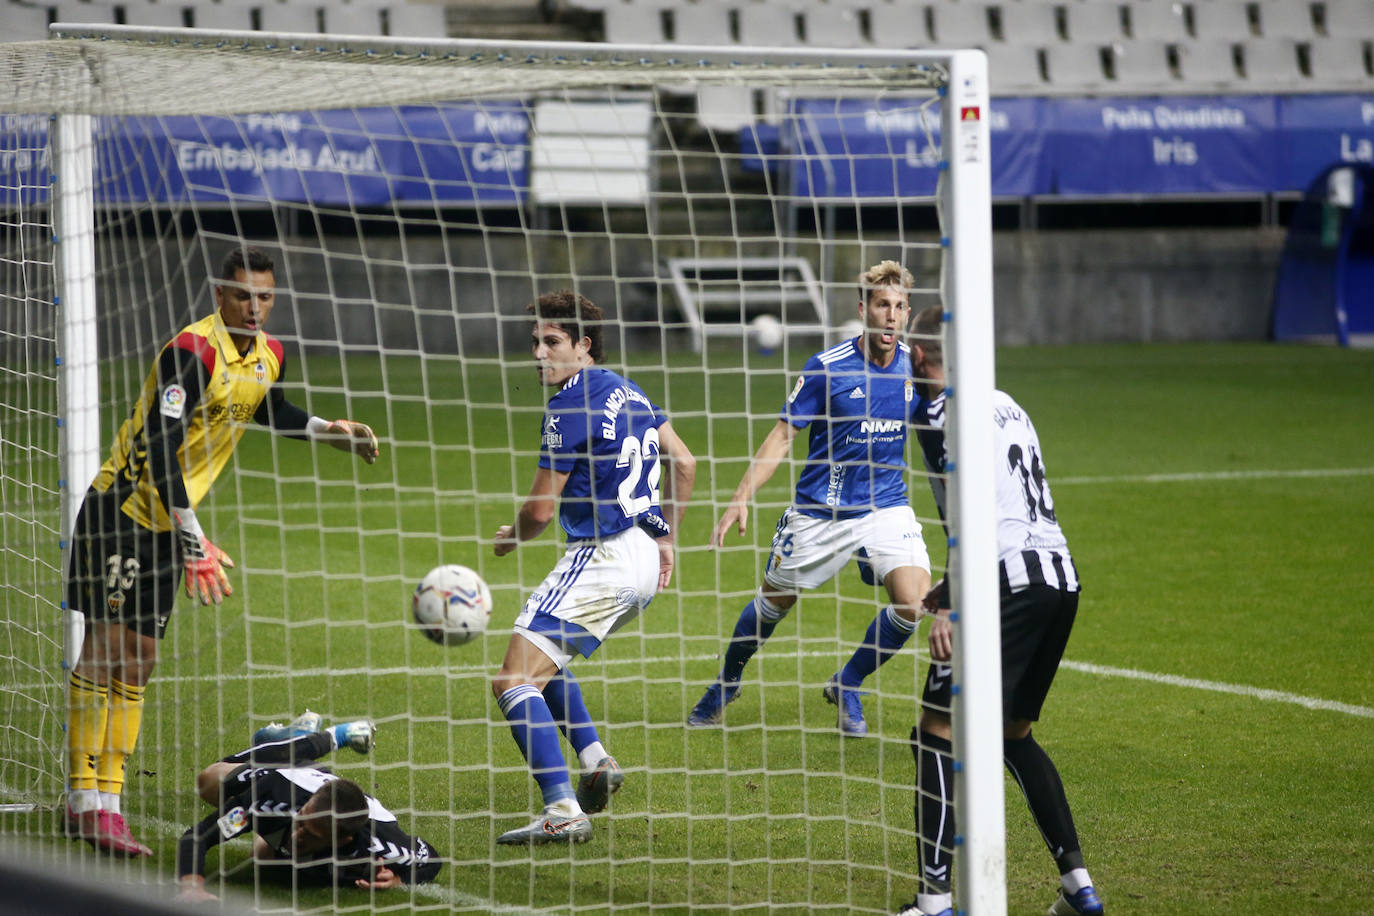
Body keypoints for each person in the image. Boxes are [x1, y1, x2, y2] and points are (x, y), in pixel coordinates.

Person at [63, 246, 381, 857]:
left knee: (141, 662)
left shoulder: (269, 355)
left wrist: (329, 433)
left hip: (167, 523)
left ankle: (108, 798)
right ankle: (88, 801)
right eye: (243, 296)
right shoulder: (193, 351)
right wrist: (195, 543)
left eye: (264, 296)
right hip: (122, 510)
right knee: (105, 653)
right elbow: (160, 450)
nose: (255, 308)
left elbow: (273, 409)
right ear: (219, 296)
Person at [895, 306, 1103, 916]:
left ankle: (935, 902)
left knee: (935, 731)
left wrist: (953, 607)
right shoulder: (1006, 400)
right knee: (1013, 735)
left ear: (918, 357)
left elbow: (971, 510)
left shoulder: (938, 414)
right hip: (1057, 575)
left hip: (1003, 581)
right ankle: (1079, 888)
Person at [688, 260, 931, 737]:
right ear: (863, 309)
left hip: (886, 507)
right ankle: (728, 680)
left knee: (913, 603)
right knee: (772, 604)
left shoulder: (914, 367)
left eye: (900, 307)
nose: (891, 315)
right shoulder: (827, 368)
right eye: (882, 305)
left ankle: (849, 681)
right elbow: (782, 437)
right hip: (820, 512)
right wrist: (741, 497)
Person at [490, 290, 697, 845]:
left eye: (552, 341)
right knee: (546, 662)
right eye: (534, 341)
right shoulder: (629, 389)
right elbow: (686, 462)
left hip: (601, 554)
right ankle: (597, 760)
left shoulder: (566, 407)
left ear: (583, 345)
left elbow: (539, 510)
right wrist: (668, 540)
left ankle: (562, 810)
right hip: (645, 560)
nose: (539, 353)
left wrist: (513, 539)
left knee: (512, 679)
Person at [172, 714, 442, 903]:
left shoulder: (381, 841)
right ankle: (322, 737)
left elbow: (429, 856)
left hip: (312, 793)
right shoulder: (266, 803)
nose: (298, 834)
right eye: (301, 823)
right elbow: (199, 837)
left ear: (343, 839)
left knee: (264, 857)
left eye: (311, 834)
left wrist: (399, 879)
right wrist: (191, 885)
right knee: (207, 781)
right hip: (278, 772)